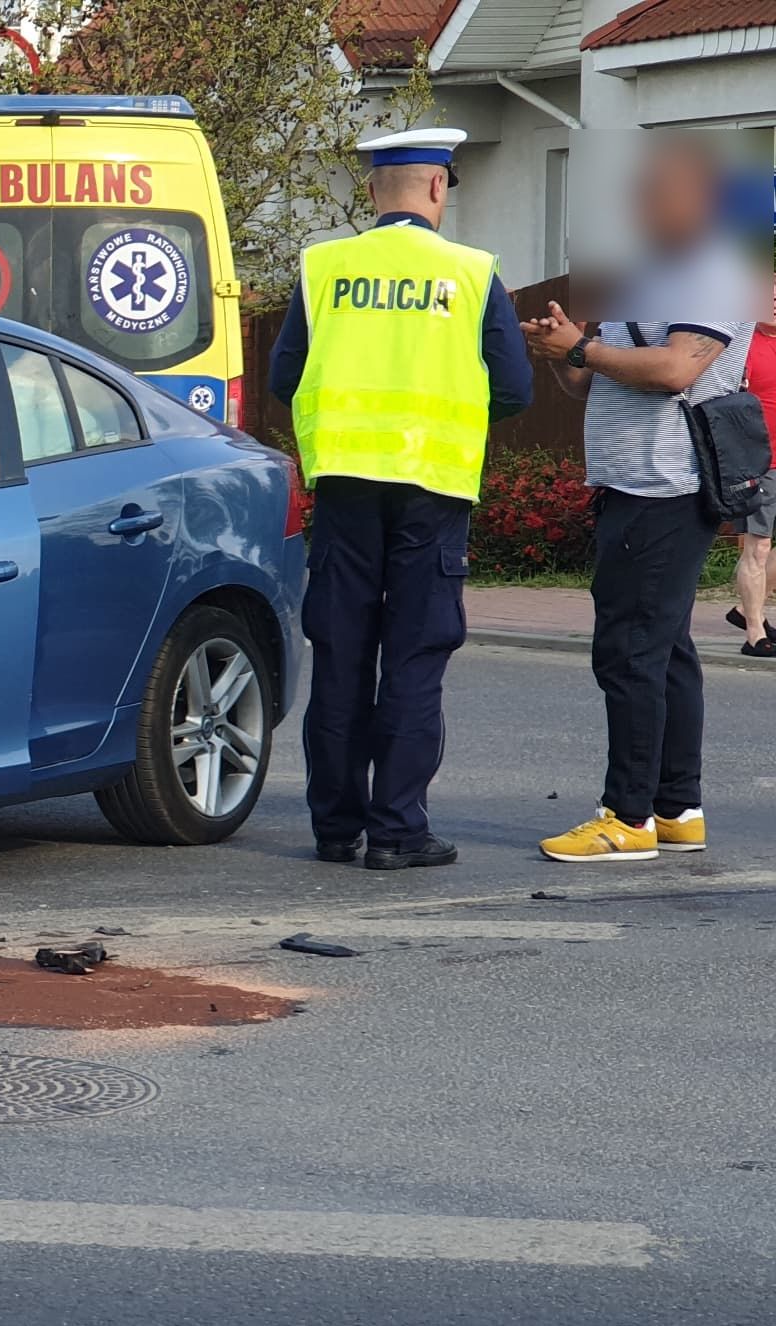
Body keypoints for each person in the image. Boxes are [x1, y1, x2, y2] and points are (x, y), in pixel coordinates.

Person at [268, 127, 534, 871]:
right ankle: (396, 833)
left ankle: (334, 828)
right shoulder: (473, 273)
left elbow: (284, 377)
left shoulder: (324, 268)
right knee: (415, 658)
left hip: (346, 486)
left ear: (373, 193)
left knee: (343, 656)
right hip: (434, 488)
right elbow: (514, 389)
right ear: (437, 188)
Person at [522, 138, 754, 861]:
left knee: (629, 653)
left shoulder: (716, 270)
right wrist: (566, 354)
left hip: (667, 485)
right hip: (627, 481)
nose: (645, 204)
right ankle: (677, 806)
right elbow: (598, 378)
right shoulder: (653, 272)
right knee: (666, 650)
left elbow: (677, 367)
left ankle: (627, 818)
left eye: (661, 191)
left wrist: (583, 351)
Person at [733, 287, 776, 660]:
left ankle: (747, 608)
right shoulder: (744, 343)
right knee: (758, 547)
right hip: (762, 461)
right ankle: (754, 633)